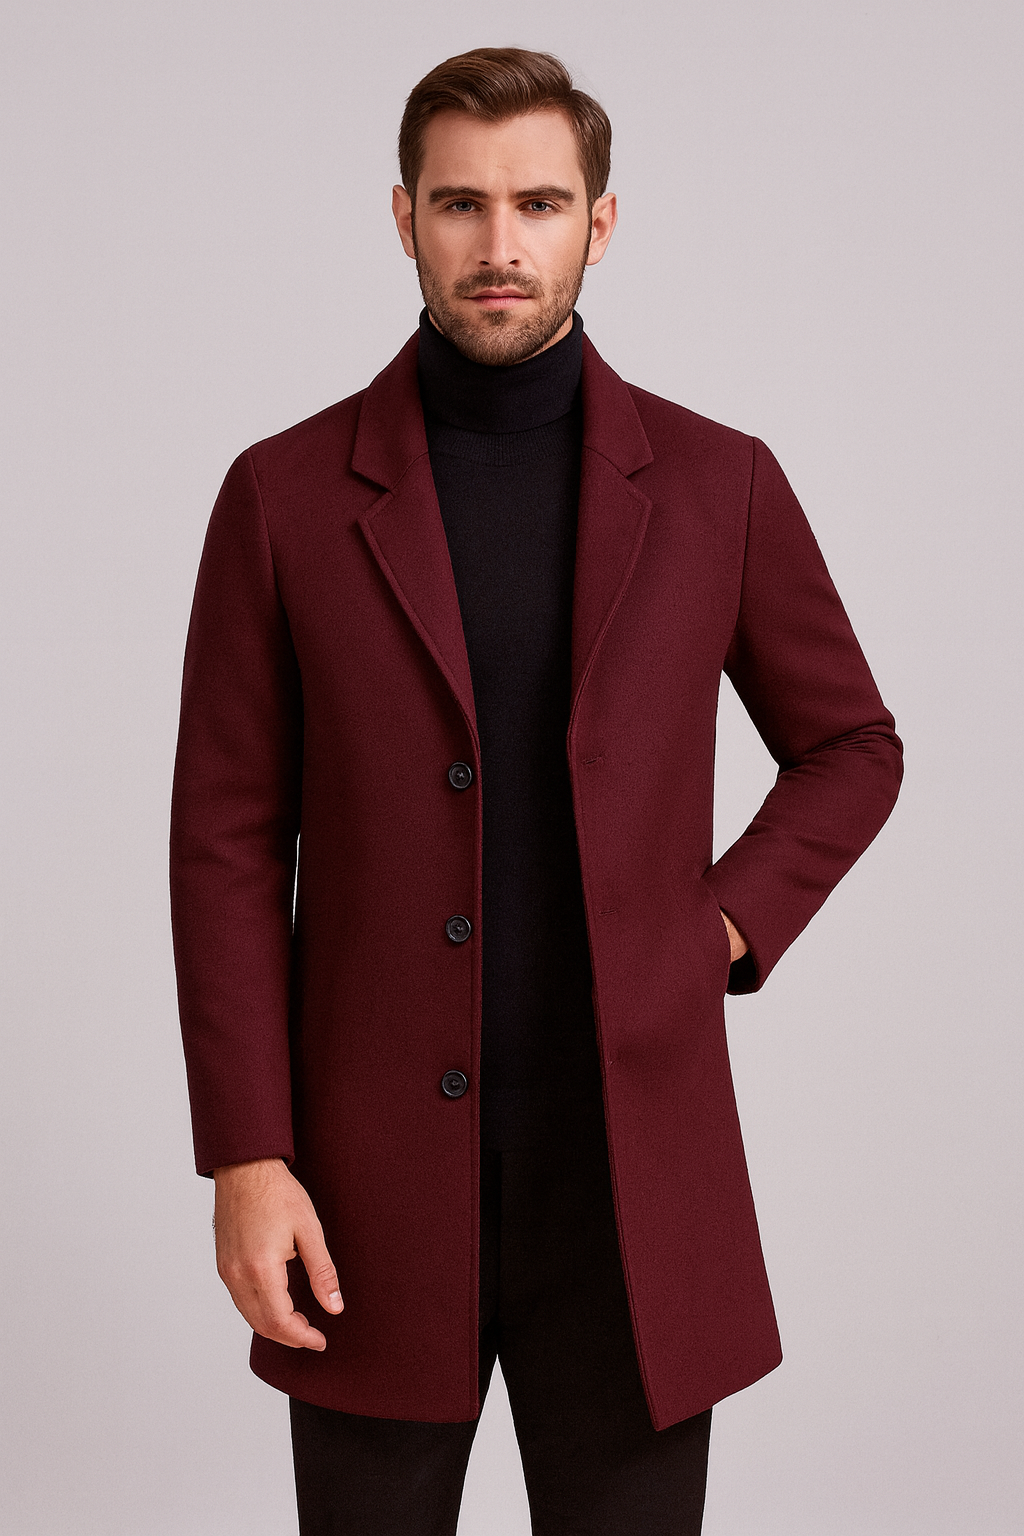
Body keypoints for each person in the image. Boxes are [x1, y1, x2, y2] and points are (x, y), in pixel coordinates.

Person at [170, 46, 903, 1536]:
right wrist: (247, 1153)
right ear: (403, 217)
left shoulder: (717, 484)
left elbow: (852, 745)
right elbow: (226, 843)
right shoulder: (283, 497)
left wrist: (718, 929)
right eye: (460, 203)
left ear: (600, 223)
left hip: (633, 1188)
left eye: (539, 203)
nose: (499, 243)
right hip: (365, 1192)